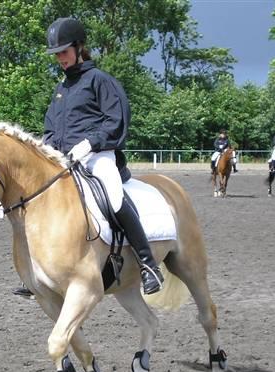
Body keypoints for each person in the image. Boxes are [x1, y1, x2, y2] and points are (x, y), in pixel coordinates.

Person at [13, 17, 164, 299]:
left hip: (98, 156)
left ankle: (148, 265)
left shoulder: (100, 81)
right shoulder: (61, 89)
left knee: (113, 196)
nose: (60, 58)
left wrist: (89, 143)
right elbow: (50, 127)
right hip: (64, 160)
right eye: (56, 54)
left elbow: (116, 121)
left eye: (64, 52)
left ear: (79, 47)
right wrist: (47, 147)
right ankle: (39, 271)